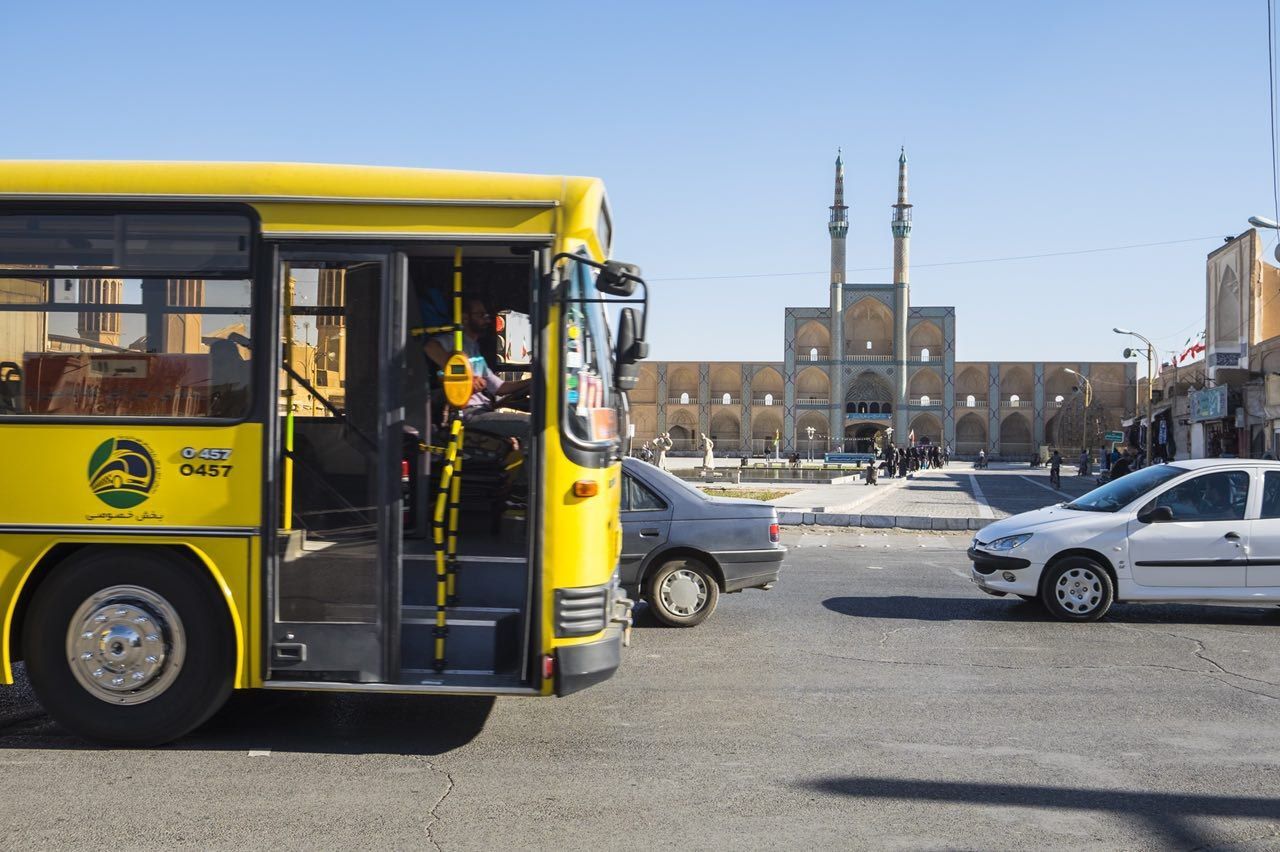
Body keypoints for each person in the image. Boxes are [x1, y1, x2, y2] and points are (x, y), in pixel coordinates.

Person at [423, 297, 531, 423]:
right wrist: (467, 377)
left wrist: (531, 382)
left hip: (483, 409)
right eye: (480, 314)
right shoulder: (454, 340)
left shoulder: (475, 348)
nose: (486, 318)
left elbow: (499, 387)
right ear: (465, 318)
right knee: (530, 424)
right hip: (466, 413)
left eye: (486, 314)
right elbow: (429, 347)